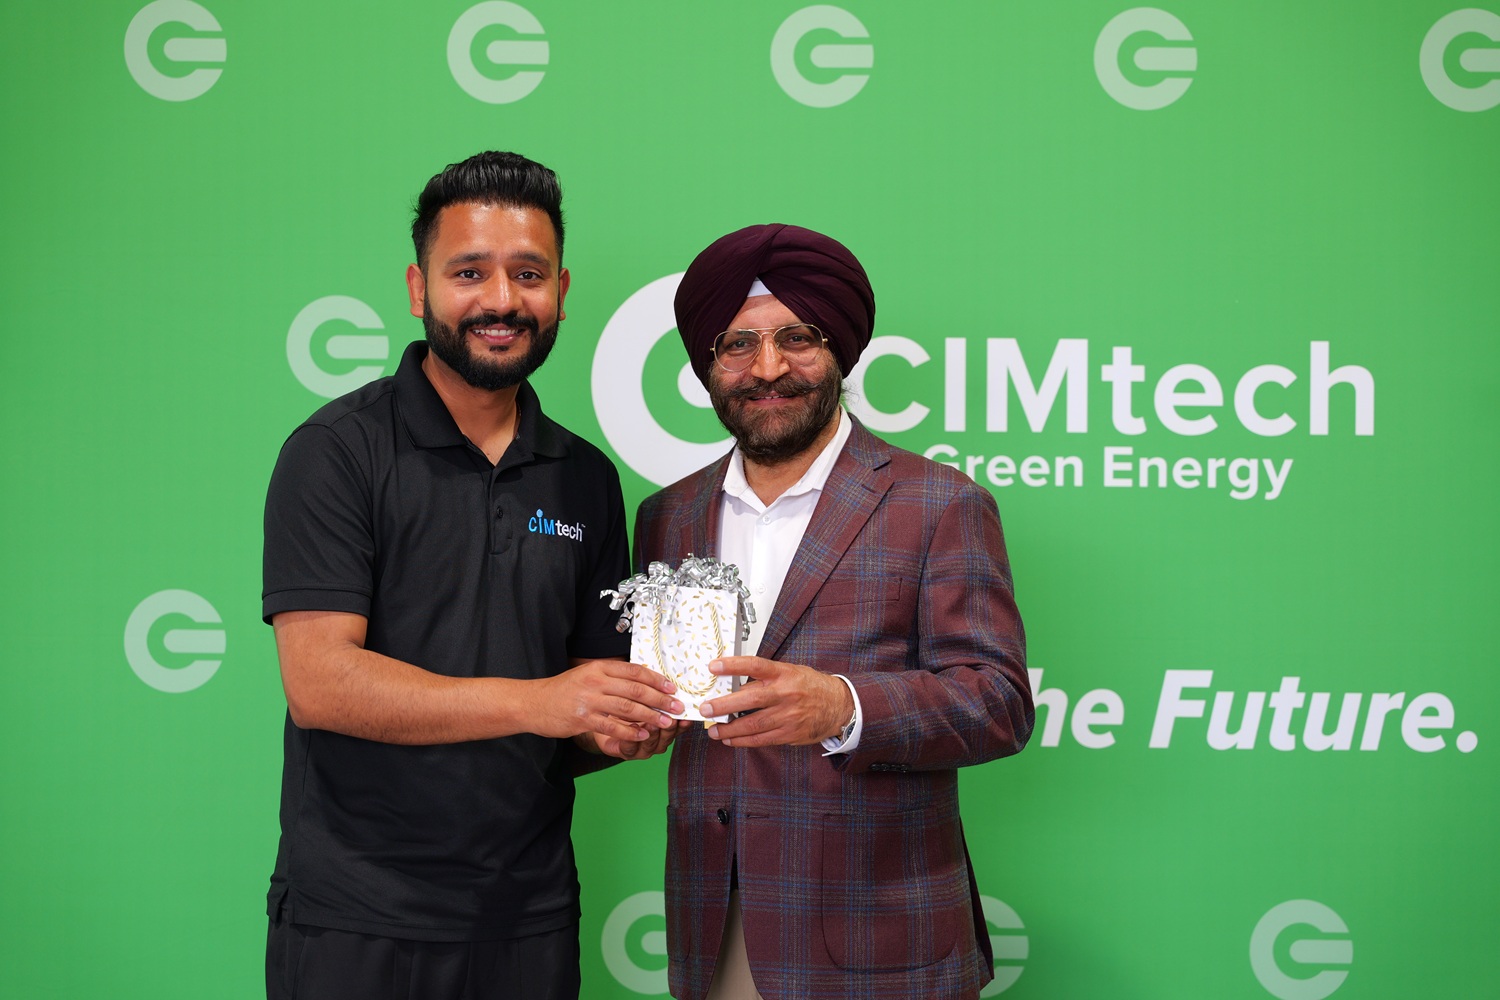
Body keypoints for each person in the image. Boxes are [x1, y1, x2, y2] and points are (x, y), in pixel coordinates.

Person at [260, 151, 682, 1000]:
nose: (500, 300)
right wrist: (541, 702)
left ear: (561, 290)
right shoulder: (336, 453)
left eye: (527, 274)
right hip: (359, 919)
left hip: (529, 920)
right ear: (419, 289)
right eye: (468, 272)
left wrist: (621, 724)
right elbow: (319, 684)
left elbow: (581, 708)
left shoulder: (586, 478)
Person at [634, 223, 1035, 1000]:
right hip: (715, 933)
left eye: (797, 338)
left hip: (882, 940)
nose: (768, 368)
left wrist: (843, 707)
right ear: (708, 364)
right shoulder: (667, 516)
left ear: (839, 351)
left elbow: (1000, 702)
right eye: (738, 344)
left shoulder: (939, 503)